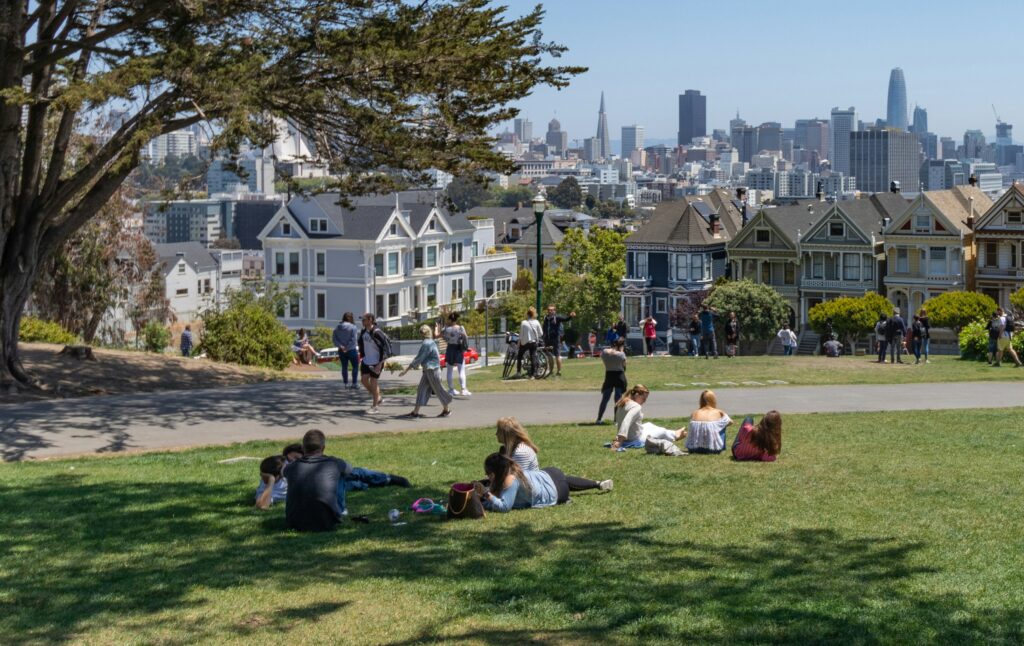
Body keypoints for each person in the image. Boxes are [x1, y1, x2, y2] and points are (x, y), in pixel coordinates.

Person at [283, 430, 410, 532]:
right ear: (323, 447)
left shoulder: (290, 468)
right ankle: (385, 479)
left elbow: (285, 472)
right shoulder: (333, 463)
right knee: (346, 474)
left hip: (294, 522)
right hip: (327, 522)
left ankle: (371, 482)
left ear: (304, 448)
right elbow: (349, 470)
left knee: (340, 476)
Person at [495, 417, 613, 490]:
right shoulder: (511, 448)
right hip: (538, 481)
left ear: (506, 434)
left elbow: (520, 480)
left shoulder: (521, 451)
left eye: (498, 431)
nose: (496, 434)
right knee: (563, 480)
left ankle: (597, 484)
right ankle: (598, 484)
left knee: (561, 480)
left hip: (535, 486)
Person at [480, 453, 608, 513]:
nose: (486, 476)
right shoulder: (511, 469)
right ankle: (597, 483)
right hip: (550, 473)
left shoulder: (510, 481)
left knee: (563, 484)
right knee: (564, 479)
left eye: (488, 473)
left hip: (558, 492)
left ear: (496, 472)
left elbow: (504, 507)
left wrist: (486, 495)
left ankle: (566, 498)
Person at [609, 384, 686, 451]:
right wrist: (619, 440)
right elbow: (626, 421)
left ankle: (674, 433)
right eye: (643, 398)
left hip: (631, 434)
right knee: (662, 431)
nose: (644, 401)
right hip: (634, 438)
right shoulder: (636, 407)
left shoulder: (623, 402)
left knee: (649, 424)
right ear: (637, 395)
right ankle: (676, 435)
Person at [399, 325, 453, 418]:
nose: (421, 335)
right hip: (429, 370)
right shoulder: (430, 342)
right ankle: (415, 412)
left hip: (432, 370)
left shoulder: (426, 344)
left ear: (423, 334)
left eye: (421, 333)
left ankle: (446, 410)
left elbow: (419, 358)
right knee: (421, 389)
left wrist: (406, 370)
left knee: (438, 389)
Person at [358, 313, 391, 414]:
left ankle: (375, 406)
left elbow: (386, 349)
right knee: (363, 380)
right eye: (362, 320)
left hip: (377, 361)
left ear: (370, 320)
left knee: (373, 382)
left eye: (364, 320)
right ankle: (378, 397)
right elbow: (361, 344)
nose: (362, 322)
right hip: (366, 360)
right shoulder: (363, 331)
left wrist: (380, 363)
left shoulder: (377, 332)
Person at [255, 443, 304, 509]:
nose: (290, 463)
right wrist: (271, 480)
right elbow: (262, 505)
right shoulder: (274, 479)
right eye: (288, 460)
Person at [684, 390, 732, 455]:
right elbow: (730, 422)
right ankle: (717, 445)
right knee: (723, 424)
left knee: (719, 424)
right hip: (713, 449)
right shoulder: (718, 412)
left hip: (693, 448)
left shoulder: (694, 413)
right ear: (713, 400)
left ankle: (698, 445)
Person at [596, 338, 627, 424]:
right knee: (617, 399)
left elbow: (603, 359)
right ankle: (616, 420)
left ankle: (599, 419)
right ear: (621, 345)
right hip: (619, 376)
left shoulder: (605, 352)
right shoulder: (621, 354)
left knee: (605, 399)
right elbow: (624, 366)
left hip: (609, 375)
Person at [442, 312, 471, 396]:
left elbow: (443, 337)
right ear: (456, 319)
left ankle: (451, 389)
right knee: (461, 370)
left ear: (450, 319)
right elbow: (466, 337)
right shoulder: (460, 328)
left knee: (449, 370)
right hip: (458, 349)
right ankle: (463, 389)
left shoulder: (446, 328)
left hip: (450, 348)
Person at [543, 304, 575, 377]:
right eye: (548, 310)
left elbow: (565, 319)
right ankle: (551, 371)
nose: (550, 311)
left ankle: (559, 371)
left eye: (551, 310)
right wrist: (544, 336)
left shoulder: (557, 317)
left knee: (557, 355)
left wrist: (570, 316)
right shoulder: (546, 318)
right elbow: (544, 328)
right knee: (549, 355)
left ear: (554, 311)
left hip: (555, 339)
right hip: (547, 339)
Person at [332, 312, 360, 390]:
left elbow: (334, 339)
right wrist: (347, 347)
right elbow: (353, 340)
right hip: (351, 350)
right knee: (355, 366)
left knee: (344, 367)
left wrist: (341, 346)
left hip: (341, 350)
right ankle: (354, 383)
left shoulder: (337, 327)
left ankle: (346, 383)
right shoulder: (353, 327)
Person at [516, 306, 543, 379]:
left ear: (527, 314)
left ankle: (518, 372)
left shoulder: (523, 322)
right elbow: (541, 333)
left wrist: (518, 344)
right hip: (533, 342)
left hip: (524, 343)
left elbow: (521, 335)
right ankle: (533, 375)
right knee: (533, 357)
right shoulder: (537, 322)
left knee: (519, 356)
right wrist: (535, 335)